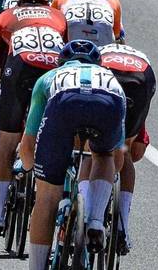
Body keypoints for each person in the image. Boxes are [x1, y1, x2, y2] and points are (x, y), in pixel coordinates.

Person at [21, 40, 127, 264]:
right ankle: (96, 221)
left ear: (61, 62)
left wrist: (34, 171)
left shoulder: (49, 77)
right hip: (109, 99)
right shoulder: (112, 78)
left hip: (64, 99)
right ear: (98, 64)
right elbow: (118, 157)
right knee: (104, 155)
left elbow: (28, 143)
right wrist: (102, 182)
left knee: (47, 198)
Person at [0, 0, 67, 236]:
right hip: (53, 70)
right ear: (47, 0)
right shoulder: (59, 17)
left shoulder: (6, 17)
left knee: (6, 142)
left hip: (19, 68)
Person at [99, 42, 157, 254]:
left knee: (93, 147)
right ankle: (122, 224)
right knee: (126, 150)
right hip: (142, 79)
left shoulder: (97, 53)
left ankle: (92, 204)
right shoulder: (139, 53)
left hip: (106, 74)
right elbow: (139, 150)